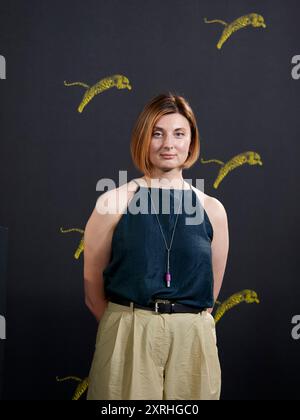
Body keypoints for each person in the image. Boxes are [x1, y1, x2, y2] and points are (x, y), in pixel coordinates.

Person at [83, 92, 229, 400]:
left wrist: (180, 323)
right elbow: (93, 291)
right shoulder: (113, 202)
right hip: (130, 332)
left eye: (179, 134)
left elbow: (211, 290)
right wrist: (134, 326)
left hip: (192, 338)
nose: (168, 144)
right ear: (143, 139)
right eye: (157, 134)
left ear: (191, 141)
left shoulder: (212, 208)